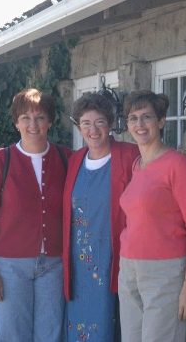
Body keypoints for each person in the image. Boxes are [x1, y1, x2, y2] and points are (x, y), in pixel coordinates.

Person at [0, 88, 72, 342]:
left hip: (54, 266)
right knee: (12, 337)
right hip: (10, 267)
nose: (33, 124)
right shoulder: (1, 160)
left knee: (51, 336)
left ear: (49, 121)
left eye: (40, 117)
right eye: (26, 117)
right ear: (16, 122)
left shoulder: (66, 157)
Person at [118, 90, 186, 342]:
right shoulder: (137, 165)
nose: (140, 124)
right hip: (129, 269)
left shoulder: (178, 165)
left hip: (165, 273)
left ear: (160, 121)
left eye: (146, 117)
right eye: (133, 118)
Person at [62, 93, 141, 342]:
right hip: (77, 263)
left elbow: (162, 174)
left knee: (109, 324)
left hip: (112, 260)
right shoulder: (74, 160)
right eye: (86, 123)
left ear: (110, 124)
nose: (93, 129)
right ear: (79, 127)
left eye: (99, 122)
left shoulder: (130, 156)